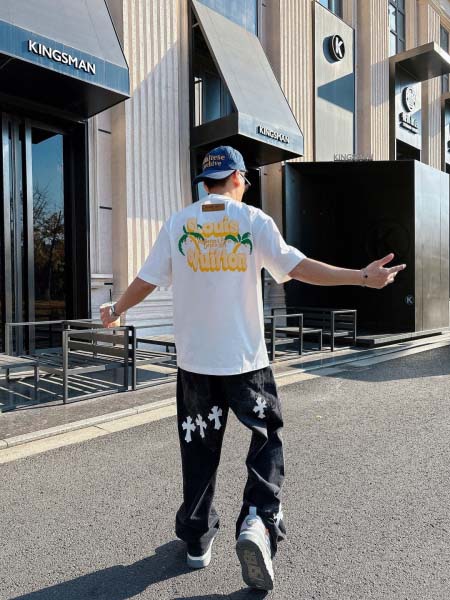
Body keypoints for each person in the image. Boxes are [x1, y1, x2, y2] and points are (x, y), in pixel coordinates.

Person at [100, 146, 406, 591]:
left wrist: (116, 309)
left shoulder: (178, 223)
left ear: (206, 182)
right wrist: (361, 276)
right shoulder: (252, 220)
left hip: (195, 366)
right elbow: (297, 268)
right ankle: (258, 521)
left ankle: (197, 540)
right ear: (237, 178)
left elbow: (148, 278)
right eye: (246, 180)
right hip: (245, 362)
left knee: (198, 448)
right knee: (266, 438)